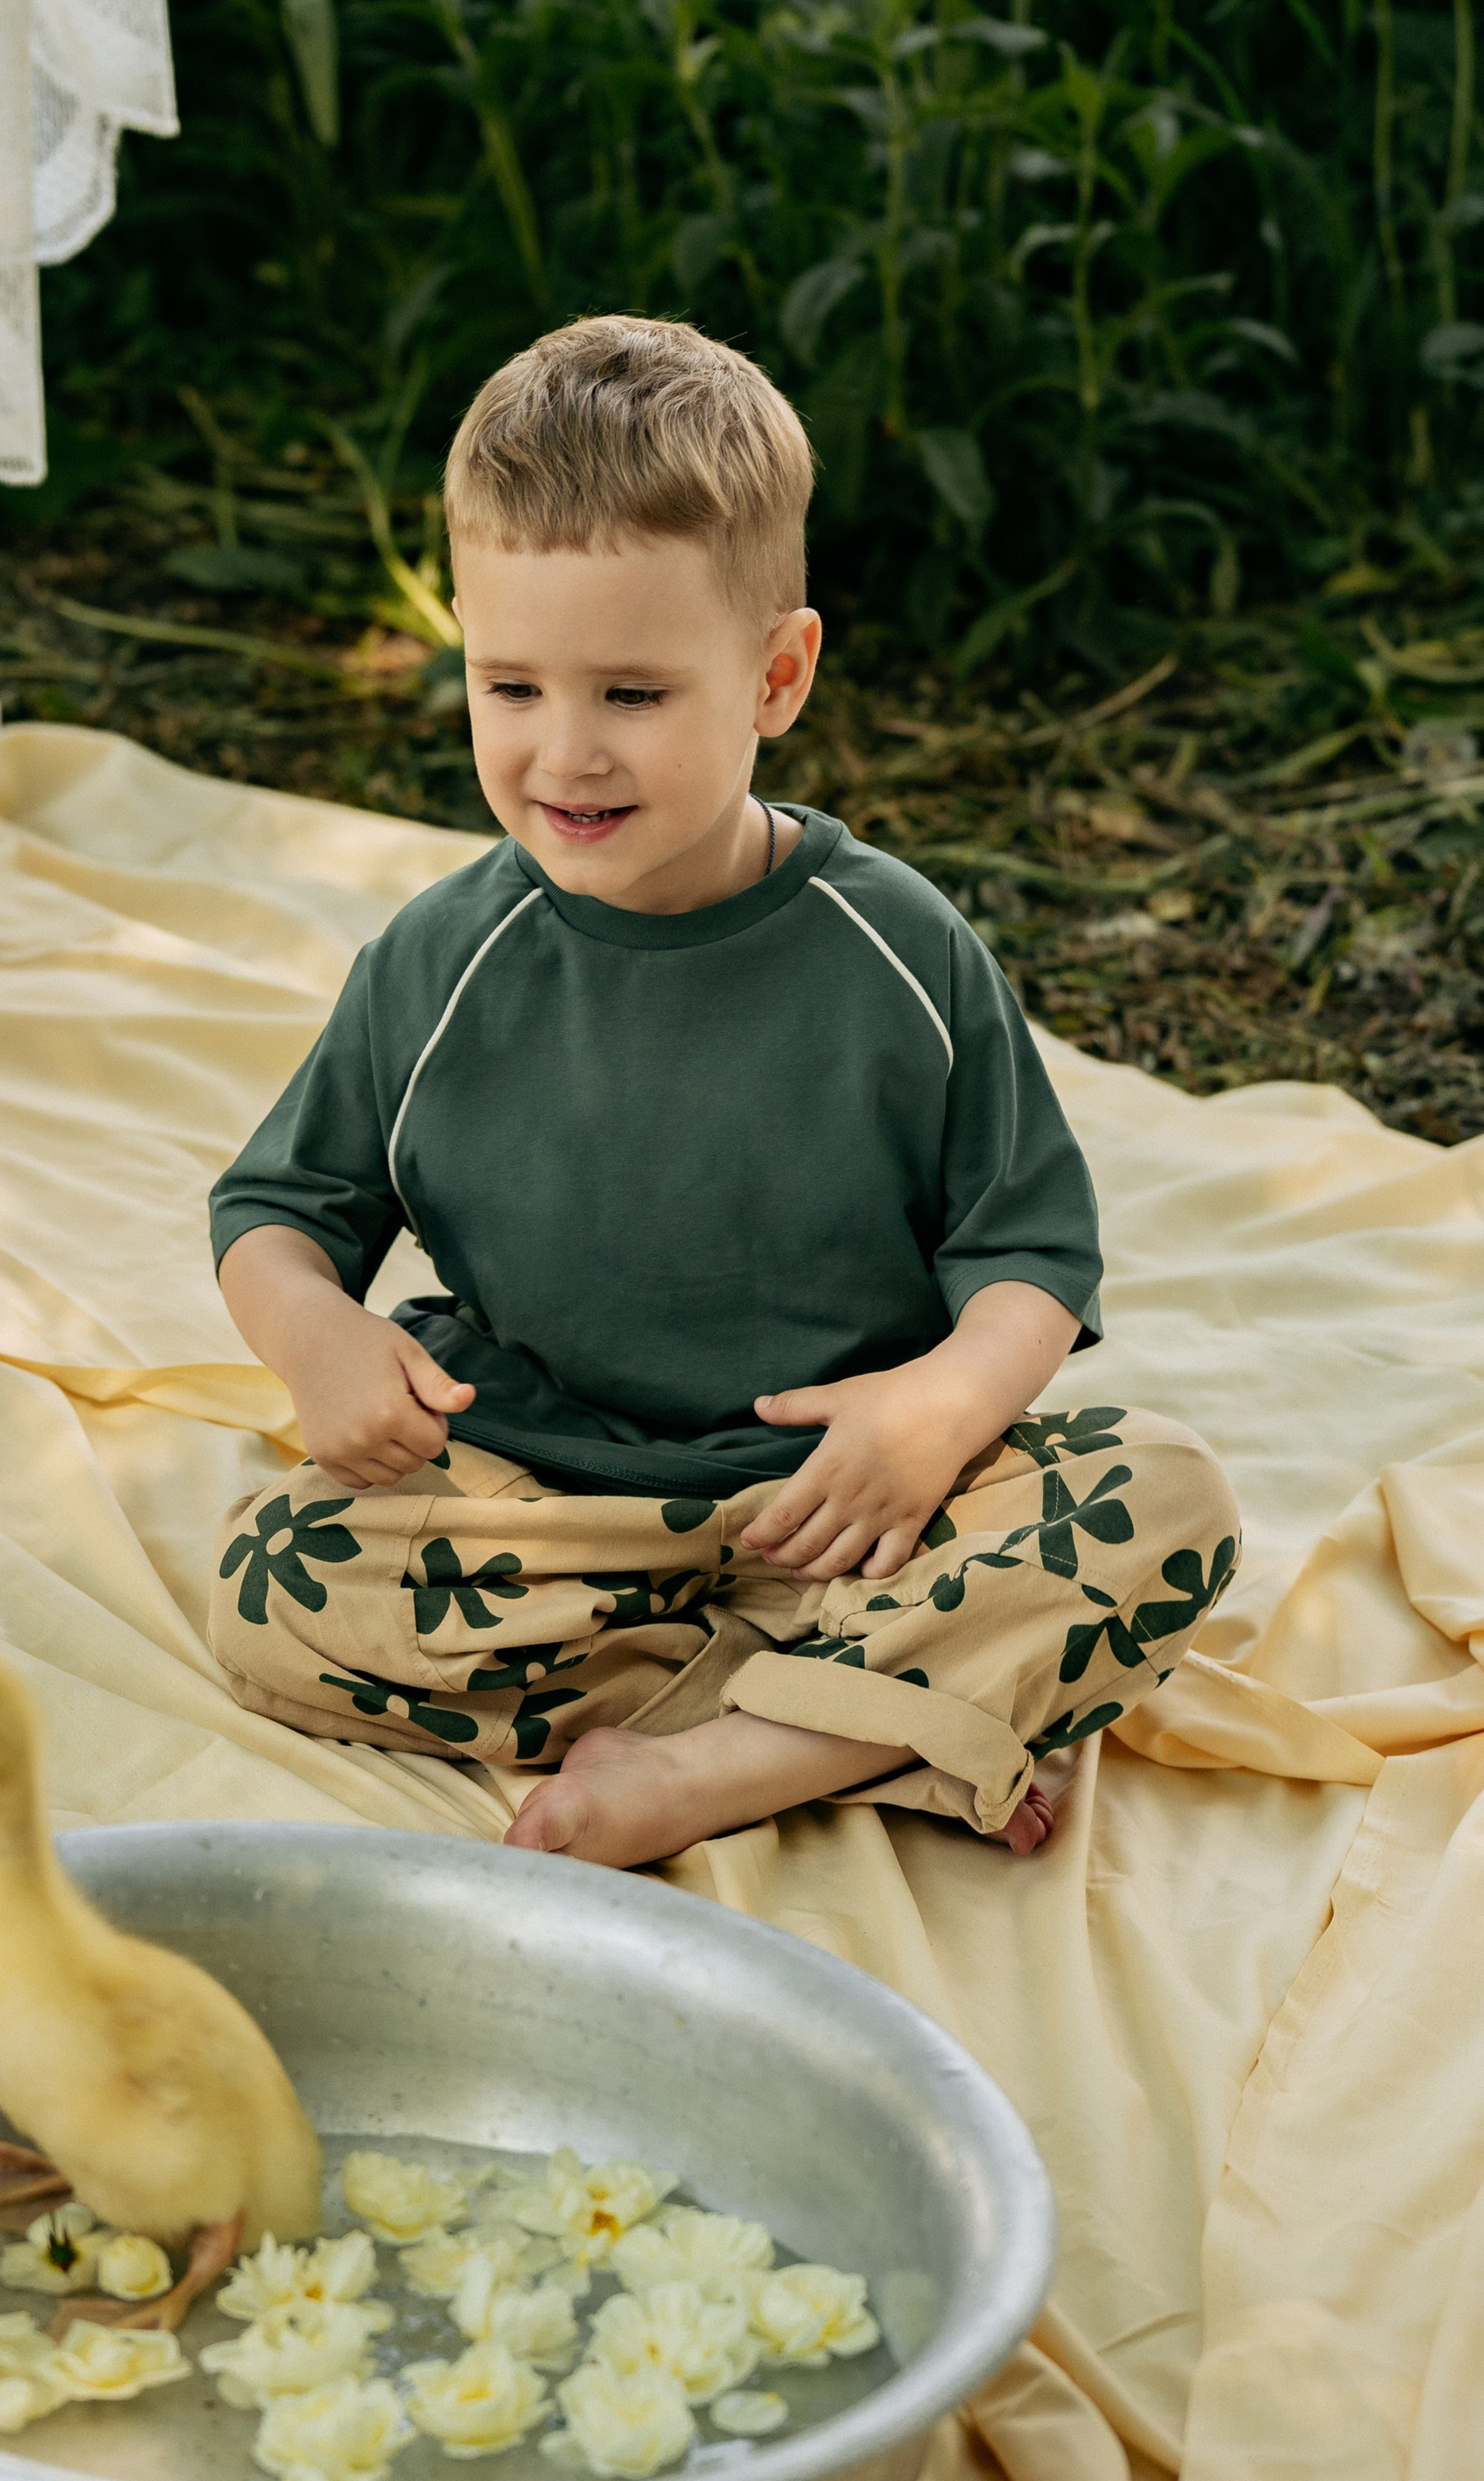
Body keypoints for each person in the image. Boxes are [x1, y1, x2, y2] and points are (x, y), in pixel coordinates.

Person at [205, 315, 1238, 1871]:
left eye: (631, 694)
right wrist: (316, 1337)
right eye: (509, 686)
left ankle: (703, 1770)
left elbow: (1032, 1257)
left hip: (861, 1502)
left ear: (775, 675)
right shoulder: (441, 960)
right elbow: (278, 1212)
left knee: (1161, 1498)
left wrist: (937, 1414)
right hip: (550, 1503)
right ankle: (858, 1727)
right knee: (273, 1580)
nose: (564, 753)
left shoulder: (896, 954)